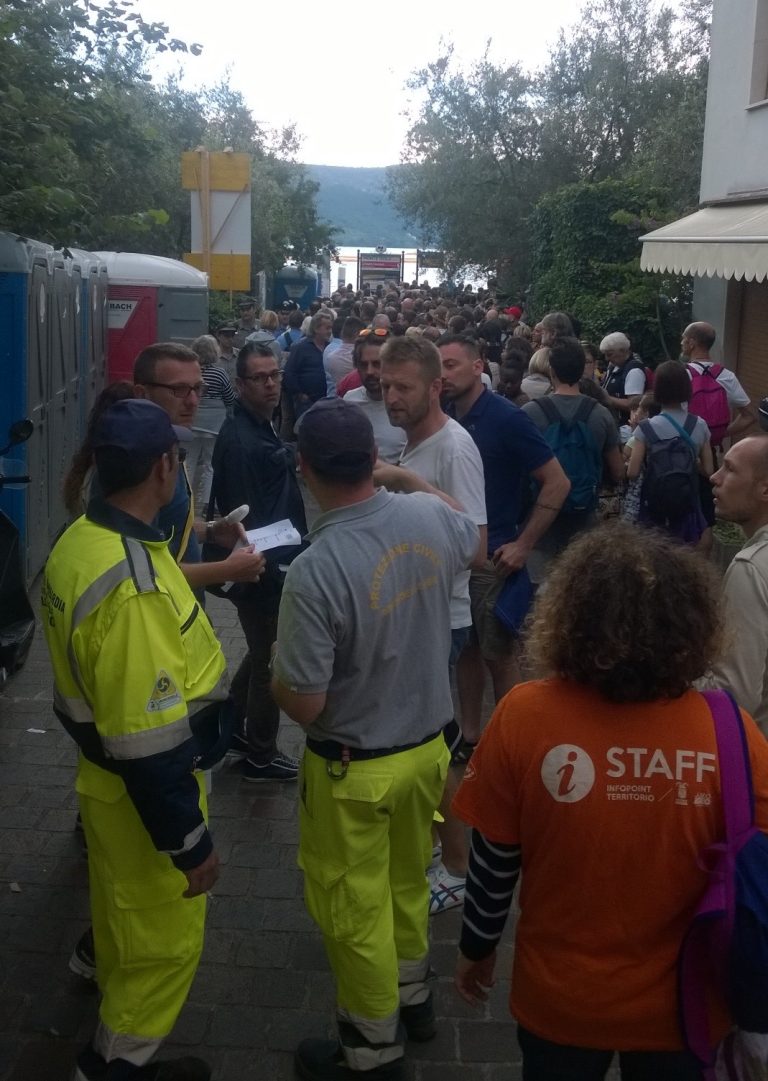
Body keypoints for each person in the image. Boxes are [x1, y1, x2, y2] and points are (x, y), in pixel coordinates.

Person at [452, 520, 768, 1081]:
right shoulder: (733, 734)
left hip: (562, 1000)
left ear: (570, 619)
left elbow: (495, 858)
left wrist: (477, 945)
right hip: (687, 1004)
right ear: (693, 628)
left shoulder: (524, 716)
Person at [271, 398, 480, 1081]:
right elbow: (467, 529)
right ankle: (414, 996)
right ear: (374, 459)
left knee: (352, 908)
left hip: (353, 770)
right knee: (406, 881)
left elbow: (305, 702)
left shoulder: (315, 568)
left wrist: (278, 669)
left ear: (304, 468)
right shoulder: (427, 517)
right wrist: (407, 479)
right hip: (426, 753)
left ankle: (371, 1046)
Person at [43, 399, 235, 1081]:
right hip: (145, 796)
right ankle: (116, 1063)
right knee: (163, 943)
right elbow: (148, 744)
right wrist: (190, 843)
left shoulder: (79, 540)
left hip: (108, 788)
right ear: (163, 467)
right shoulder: (135, 589)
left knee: (124, 917)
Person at [377, 334, 487, 915]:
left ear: (435, 387)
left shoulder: (453, 447)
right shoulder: (414, 442)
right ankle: (436, 850)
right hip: (417, 613)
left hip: (443, 619)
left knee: (433, 748)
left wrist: (404, 484)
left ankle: (458, 866)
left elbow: (476, 544)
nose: (391, 397)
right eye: (385, 385)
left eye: (404, 387)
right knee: (425, 743)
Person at [438, 333, 569, 750]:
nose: (442, 375)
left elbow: (557, 482)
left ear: (479, 367)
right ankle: (471, 735)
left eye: (451, 365)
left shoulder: (507, 418)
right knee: (467, 651)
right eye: (437, 366)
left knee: (499, 654)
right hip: (454, 555)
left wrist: (524, 544)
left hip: (494, 558)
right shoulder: (443, 414)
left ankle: (511, 746)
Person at [210, 341, 307, 782]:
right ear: (241, 383)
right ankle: (261, 754)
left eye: (275, 376)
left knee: (259, 648)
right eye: (260, 378)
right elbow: (242, 518)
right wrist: (267, 569)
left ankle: (228, 725)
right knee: (272, 656)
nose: (270, 384)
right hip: (262, 568)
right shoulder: (241, 441)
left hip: (274, 561)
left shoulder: (261, 426)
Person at [132, 343, 264, 592]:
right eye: (179, 390)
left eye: (197, 388)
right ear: (142, 394)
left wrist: (212, 531)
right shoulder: (136, 464)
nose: (193, 401)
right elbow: (139, 570)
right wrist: (226, 570)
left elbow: (166, 529)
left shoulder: (168, 448)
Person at [522, 336, 623, 581]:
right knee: (577, 589)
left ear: (551, 371)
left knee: (537, 594)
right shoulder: (601, 415)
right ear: (583, 370)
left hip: (538, 519)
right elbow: (619, 472)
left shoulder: (530, 413)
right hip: (583, 516)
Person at [702, 435, 768, 733]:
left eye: (729, 468)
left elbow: (734, 695)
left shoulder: (751, 568)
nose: (715, 477)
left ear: (764, 488)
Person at [627, 359, 714, 545]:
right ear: (686, 388)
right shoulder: (699, 425)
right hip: (687, 504)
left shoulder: (645, 427)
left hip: (653, 505)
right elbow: (709, 470)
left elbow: (632, 472)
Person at [187, 334, 236, 511]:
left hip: (193, 422)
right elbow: (230, 398)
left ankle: (186, 500)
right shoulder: (220, 372)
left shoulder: (192, 373)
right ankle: (208, 502)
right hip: (214, 426)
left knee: (189, 462)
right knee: (210, 464)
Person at [343, 330, 406, 464]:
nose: (370, 371)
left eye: (377, 364)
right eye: (363, 365)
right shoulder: (349, 401)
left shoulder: (408, 405)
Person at [283, 311, 333, 421]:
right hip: (307, 403)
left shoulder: (330, 348)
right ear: (316, 329)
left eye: (331, 328)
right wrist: (300, 394)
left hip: (327, 402)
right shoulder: (300, 348)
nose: (330, 331)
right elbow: (290, 372)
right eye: (327, 328)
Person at [600, 332, 647, 419]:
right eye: (605, 355)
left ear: (623, 350)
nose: (607, 358)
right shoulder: (614, 367)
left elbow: (633, 404)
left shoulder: (634, 371)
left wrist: (606, 398)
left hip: (625, 426)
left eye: (610, 354)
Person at [325, 316, 365, 394]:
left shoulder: (330, 358)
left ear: (342, 333)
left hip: (336, 399)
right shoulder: (362, 357)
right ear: (358, 334)